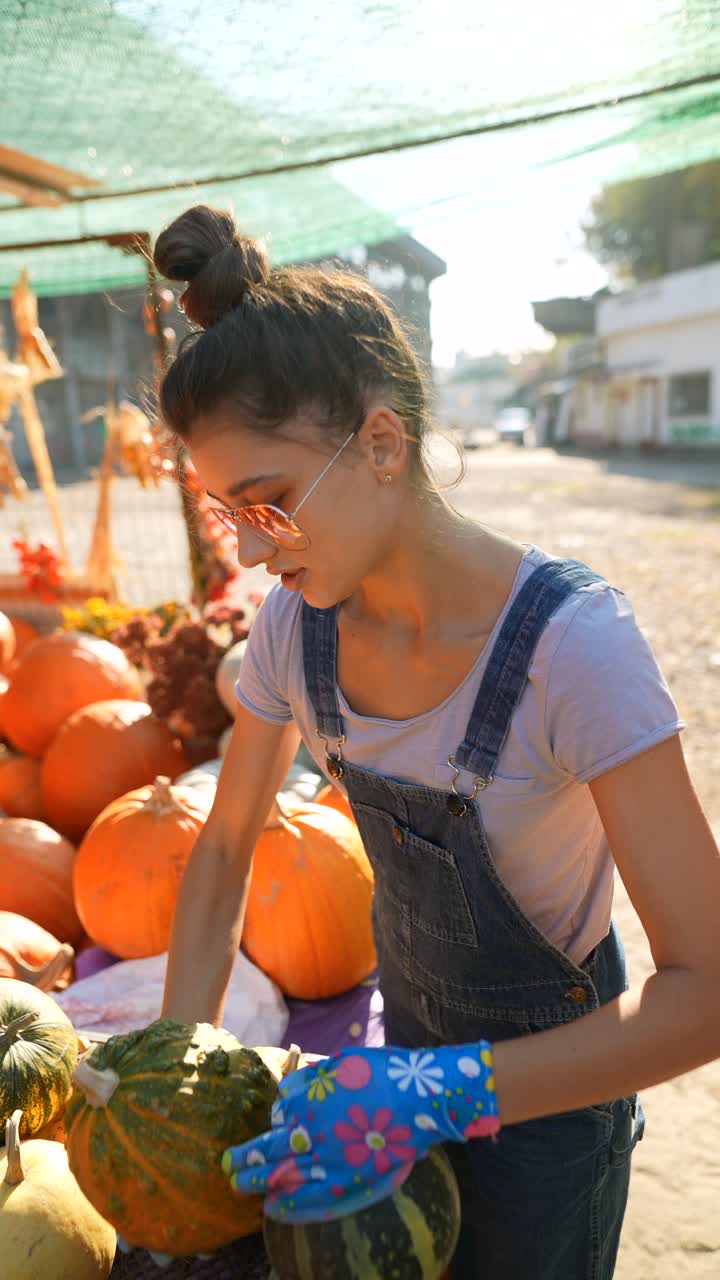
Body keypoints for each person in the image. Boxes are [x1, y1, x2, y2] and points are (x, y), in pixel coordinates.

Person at [156, 204, 720, 1279]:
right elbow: (224, 846)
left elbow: (708, 987)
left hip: (554, 1110)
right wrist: (174, 1068)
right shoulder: (293, 631)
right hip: (396, 1072)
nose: (246, 548)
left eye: (266, 504)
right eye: (226, 511)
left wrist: (453, 1088)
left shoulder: (574, 649)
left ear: (379, 442)